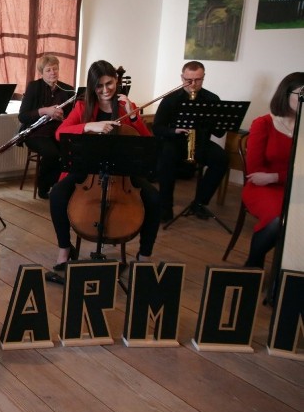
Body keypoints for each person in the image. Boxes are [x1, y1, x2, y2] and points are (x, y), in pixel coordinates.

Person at [49, 60, 161, 270]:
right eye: (99, 86)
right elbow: (59, 133)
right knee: (57, 194)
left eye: (109, 84)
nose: (105, 90)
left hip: (123, 172)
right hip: (88, 169)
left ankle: (144, 255)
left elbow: (146, 141)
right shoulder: (83, 106)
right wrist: (90, 125)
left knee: (154, 198)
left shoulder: (127, 107)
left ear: (116, 81)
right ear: (92, 87)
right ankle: (65, 249)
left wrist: (135, 117)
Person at [241, 72, 303, 269]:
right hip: (263, 189)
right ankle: (253, 265)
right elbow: (255, 172)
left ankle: (290, 271)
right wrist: (285, 178)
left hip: (296, 186)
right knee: (279, 218)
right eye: (301, 95)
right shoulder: (264, 123)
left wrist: (276, 176)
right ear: (286, 94)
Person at [153, 61, 228, 222]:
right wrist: (174, 130)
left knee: (221, 159)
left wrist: (211, 121)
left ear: (204, 77)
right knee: (166, 158)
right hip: (175, 143)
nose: (193, 84)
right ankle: (165, 208)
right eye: (189, 80)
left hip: (200, 143)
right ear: (182, 77)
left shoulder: (212, 99)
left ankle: (199, 203)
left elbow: (220, 133)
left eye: (198, 80)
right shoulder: (170, 99)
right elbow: (157, 128)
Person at [16, 55, 76, 199]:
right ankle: (45, 187)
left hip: (58, 131)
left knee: (70, 153)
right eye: (48, 70)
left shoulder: (68, 90)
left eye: (55, 69)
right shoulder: (34, 87)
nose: (52, 72)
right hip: (35, 132)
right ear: (41, 73)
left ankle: (61, 186)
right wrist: (45, 110)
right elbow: (22, 116)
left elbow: (72, 117)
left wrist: (63, 118)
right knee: (52, 154)